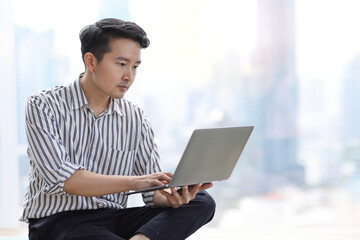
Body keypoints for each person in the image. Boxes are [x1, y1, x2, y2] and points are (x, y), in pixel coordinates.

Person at [20, 18, 215, 240]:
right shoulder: (43, 105)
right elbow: (65, 181)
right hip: (58, 221)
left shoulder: (136, 117)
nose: (129, 76)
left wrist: (172, 196)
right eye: (121, 64)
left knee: (203, 202)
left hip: (114, 218)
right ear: (91, 61)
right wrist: (135, 182)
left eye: (135, 67)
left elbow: (151, 194)